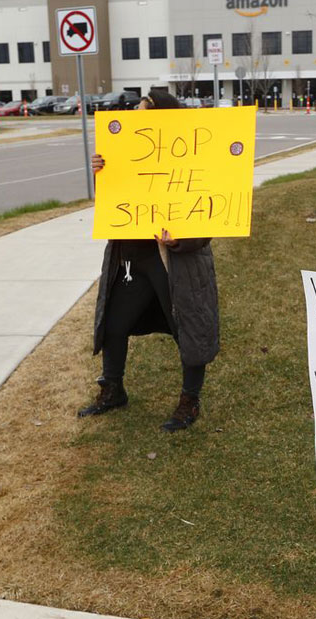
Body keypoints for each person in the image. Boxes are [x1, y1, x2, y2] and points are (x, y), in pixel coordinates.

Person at [79, 89, 220, 432]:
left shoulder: (191, 158)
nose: (136, 118)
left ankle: (190, 399)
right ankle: (112, 388)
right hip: (130, 260)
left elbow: (210, 218)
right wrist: (104, 171)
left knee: (186, 330)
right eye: (136, 111)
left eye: (144, 112)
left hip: (172, 263)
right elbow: (115, 201)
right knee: (113, 323)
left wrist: (180, 239)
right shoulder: (127, 150)